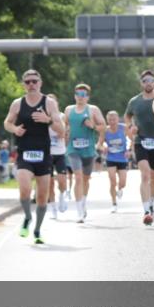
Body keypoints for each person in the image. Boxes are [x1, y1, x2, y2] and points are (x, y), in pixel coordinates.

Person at [4, 70, 64, 245]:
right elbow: (7, 122)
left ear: (40, 83)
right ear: (23, 84)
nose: (31, 84)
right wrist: (14, 129)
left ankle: (37, 229)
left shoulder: (49, 103)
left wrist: (48, 120)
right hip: (24, 153)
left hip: (44, 154)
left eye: (34, 81)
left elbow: (61, 130)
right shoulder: (17, 104)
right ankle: (27, 217)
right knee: (24, 189)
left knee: (42, 196)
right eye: (28, 82)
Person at [125, 71, 154, 225]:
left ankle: (151, 203)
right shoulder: (134, 101)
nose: (148, 83)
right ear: (141, 83)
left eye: (151, 80)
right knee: (145, 175)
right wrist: (131, 127)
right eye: (145, 80)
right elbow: (127, 117)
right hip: (140, 141)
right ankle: (146, 211)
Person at [63, 83, 106, 224]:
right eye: (78, 94)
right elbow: (66, 127)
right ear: (74, 95)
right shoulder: (69, 110)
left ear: (87, 97)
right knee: (78, 177)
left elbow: (103, 127)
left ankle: (83, 202)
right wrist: (65, 139)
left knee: (86, 179)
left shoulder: (93, 110)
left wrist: (92, 126)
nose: (80, 97)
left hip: (88, 150)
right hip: (73, 149)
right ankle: (79, 211)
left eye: (83, 95)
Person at [100, 111, 129, 213]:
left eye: (114, 119)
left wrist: (129, 150)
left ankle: (120, 189)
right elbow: (99, 144)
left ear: (118, 119)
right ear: (107, 120)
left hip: (122, 158)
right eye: (110, 120)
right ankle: (114, 203)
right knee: (112, 182)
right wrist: (104, 146)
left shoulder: (124, 128)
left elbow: (131, 139)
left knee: (123, 182)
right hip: (111, 158)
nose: (112, 122)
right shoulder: (105, 130)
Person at [46, 93, 69, 219]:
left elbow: (65, 132)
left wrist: (64, 135)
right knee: (49, 183)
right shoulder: (42, 117)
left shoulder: (62, 116)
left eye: (53, 102)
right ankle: (53, 207)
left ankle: (62, 196)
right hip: (47, 154)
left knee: (62, 181)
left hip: (60, 152)